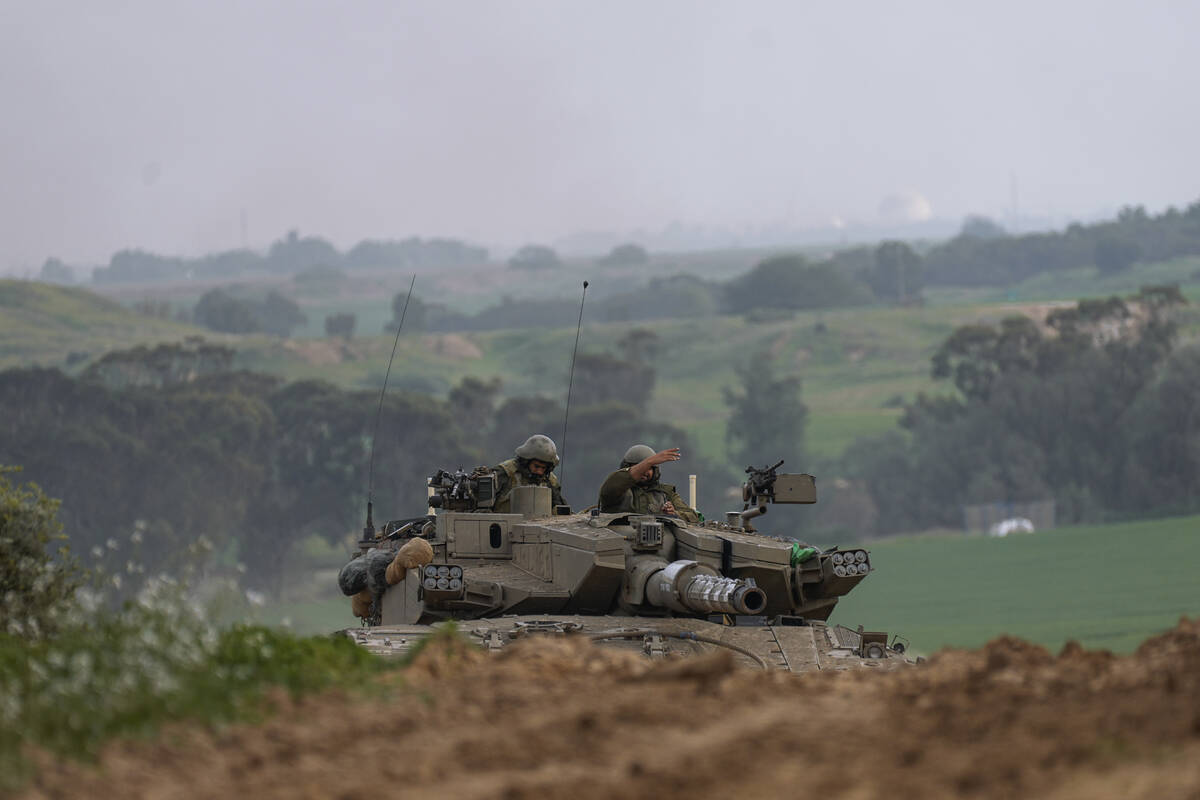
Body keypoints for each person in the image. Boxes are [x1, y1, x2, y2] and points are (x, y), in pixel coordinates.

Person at [597, 444, 700, 523]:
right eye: (640, 467)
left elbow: (694, 517)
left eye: (649, 468)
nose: (644, 472)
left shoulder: (665, 493)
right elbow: (609, 489)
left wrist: (673, 513)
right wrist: (648, 462)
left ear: (655, 470)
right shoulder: (618, 491)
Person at [492, 434, 566, 513]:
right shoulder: (507, 472)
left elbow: (559, 507)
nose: (539, 471)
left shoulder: (549, 480)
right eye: (536, 466)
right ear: (526, 462)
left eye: (543, 468)